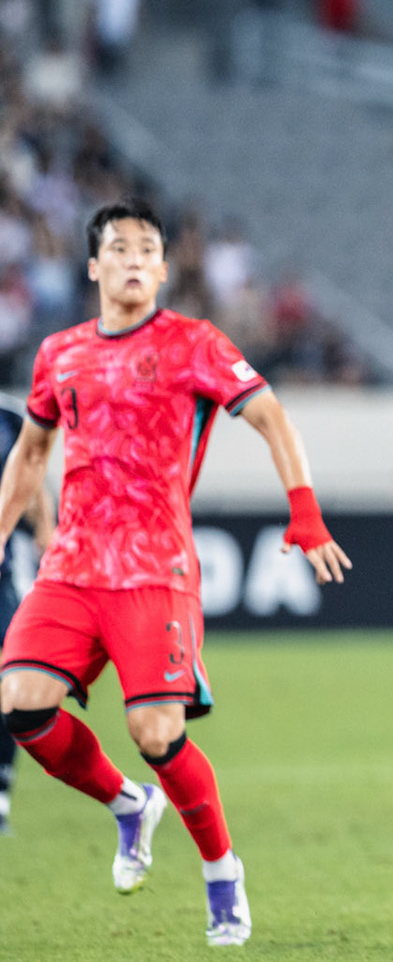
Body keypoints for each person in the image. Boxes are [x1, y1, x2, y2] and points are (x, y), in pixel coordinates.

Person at [0, 200, 353, 946]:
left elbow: (271, 418)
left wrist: (305, 510)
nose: (133, 259)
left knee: (155, 731)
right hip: (71, 568)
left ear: (163, 268)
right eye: (118, 248)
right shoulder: (58, 352)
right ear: (94, 266)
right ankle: (128, 806)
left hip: (154, 569)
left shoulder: (194, 343)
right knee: (20, 705)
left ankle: (222, 871)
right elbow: (30, 455)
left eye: (147, 249)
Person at [0, 395, 55, 835]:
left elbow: (34, 475)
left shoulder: (13, 416)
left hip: (3, 573)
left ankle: (0, 790)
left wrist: (45, 528)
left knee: (10, 683)